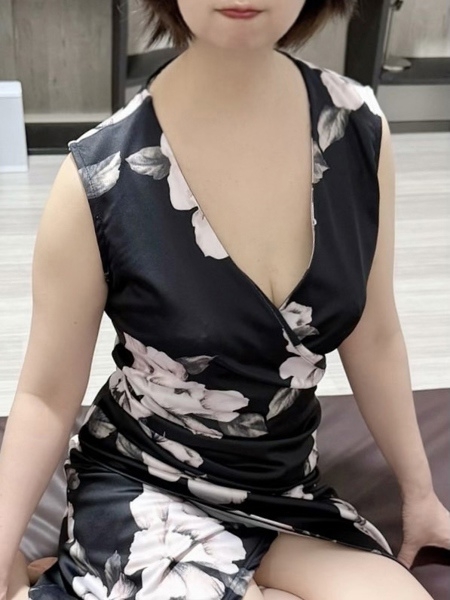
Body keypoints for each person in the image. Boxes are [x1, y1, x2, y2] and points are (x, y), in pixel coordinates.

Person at [0, 1, 449, 599]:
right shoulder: (102, 174)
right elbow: (46, 395)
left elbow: (376, 334)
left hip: (284, 488)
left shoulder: (357, 129)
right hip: (147, 481)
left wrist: (420, 496)